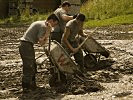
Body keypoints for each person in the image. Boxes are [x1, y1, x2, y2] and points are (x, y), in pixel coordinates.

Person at [19, 14, 59, 92]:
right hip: (26, 45)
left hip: (26, 44)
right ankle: (26, 87)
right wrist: (47, 33)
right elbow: (41, 42)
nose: (54, 26)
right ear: (51, 21)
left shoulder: (40, 23)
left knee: (33, 65)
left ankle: (32, 85)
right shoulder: (43, 26)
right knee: (29, 66)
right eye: (54, 24)